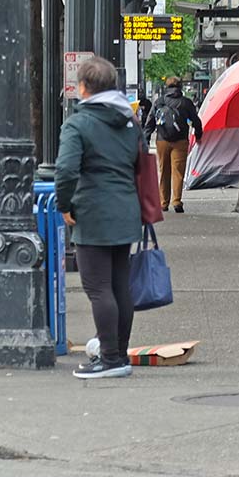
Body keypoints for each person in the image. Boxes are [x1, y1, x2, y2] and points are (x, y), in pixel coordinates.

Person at [55, 55, 142, 379]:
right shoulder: (130, 121)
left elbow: (66, 170)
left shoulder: (78, 123)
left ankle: (110, 359)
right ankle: (119, 352)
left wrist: (65, 205)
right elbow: (138, 165)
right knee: (120, 285)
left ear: (83, 88)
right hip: (126, 209)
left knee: (98, 287)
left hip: (93, 211)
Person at [143, 76, 202, 213]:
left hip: (162, 140)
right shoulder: (186, 103)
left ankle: (163, 203)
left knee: (164, 171)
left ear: (167, 87)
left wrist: (145, 139)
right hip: (181, 141)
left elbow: (150, 121)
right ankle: (176, 201)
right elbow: (196, 121)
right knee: (178, 172)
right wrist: (198, 134)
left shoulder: (159, 102)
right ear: (180, 86)